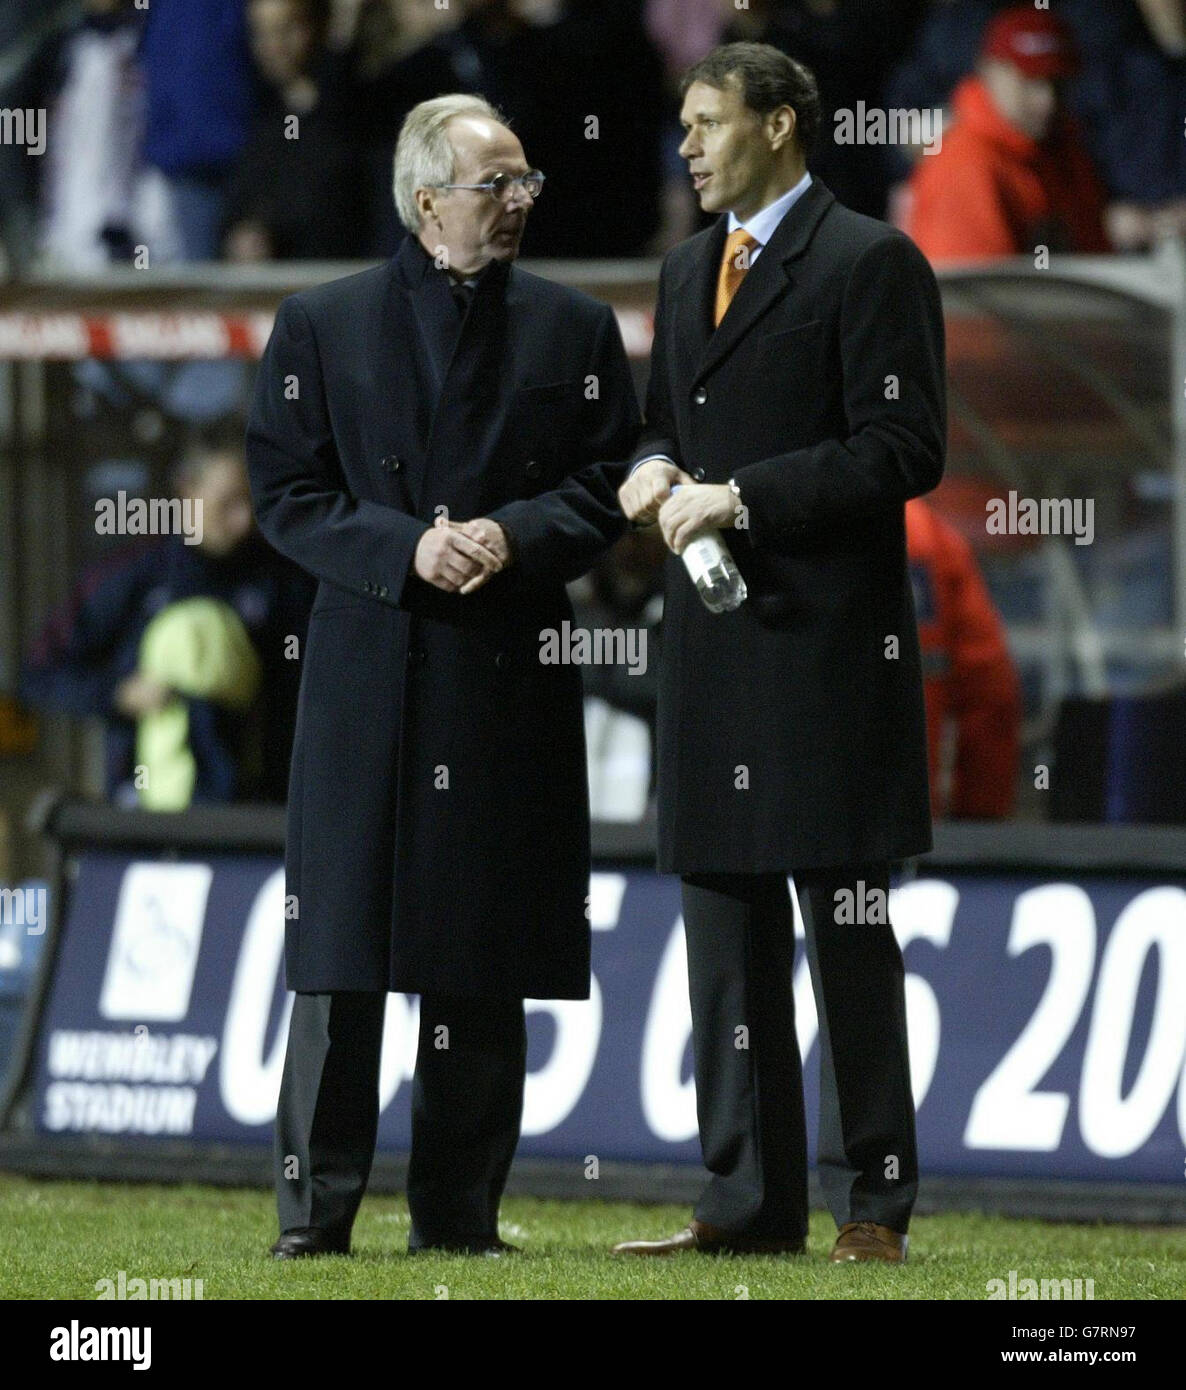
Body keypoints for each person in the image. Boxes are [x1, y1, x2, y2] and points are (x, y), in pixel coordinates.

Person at [246, 94, 639, 1258]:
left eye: (525, 183)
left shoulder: (573, 330)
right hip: (367, 667)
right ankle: (312, 1221)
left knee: (482, 949)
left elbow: (611, 480)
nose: (519, 201)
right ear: (427, 203)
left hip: (502, 669)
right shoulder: (320, 323)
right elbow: (287, 493)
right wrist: (404, 547)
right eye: (495, 184)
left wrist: (513, 534)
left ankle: (458, 1219)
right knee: (339, 956)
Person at [614, 42, 946, 1263]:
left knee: (847, 932)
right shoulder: (686, 265)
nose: (688, 145)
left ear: (783, 125)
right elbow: (665, 422)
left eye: (707, 123)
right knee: (723, 940)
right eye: (684, 125)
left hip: (823, 663)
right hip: (711, 654)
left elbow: (904, 447)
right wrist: (649, 469)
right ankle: (747, 1205)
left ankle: (874, 1202)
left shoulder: (870, 261)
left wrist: (737, 496)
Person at [20, 438, 311, 807]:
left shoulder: (281, 582)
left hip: (257, 814)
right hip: (146, 812)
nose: (242, 520)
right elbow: (39, 674)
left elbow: (308, 688)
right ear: (187, 490)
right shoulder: (132, 573)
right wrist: (121, 693)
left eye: (251, 503)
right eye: (227, 503)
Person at [904, 6, 1109, 259]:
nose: (1047, 100)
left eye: (1058, 83)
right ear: (990, 71)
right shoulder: (965, 164)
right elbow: (978, 293)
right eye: (1029, 81)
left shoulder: (1064, 150)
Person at [906, 496, 1021, 819]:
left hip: (782, 831)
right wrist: (976, 830)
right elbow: (991, 699)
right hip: (904, 833)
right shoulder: (927, 537)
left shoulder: (768, 515)